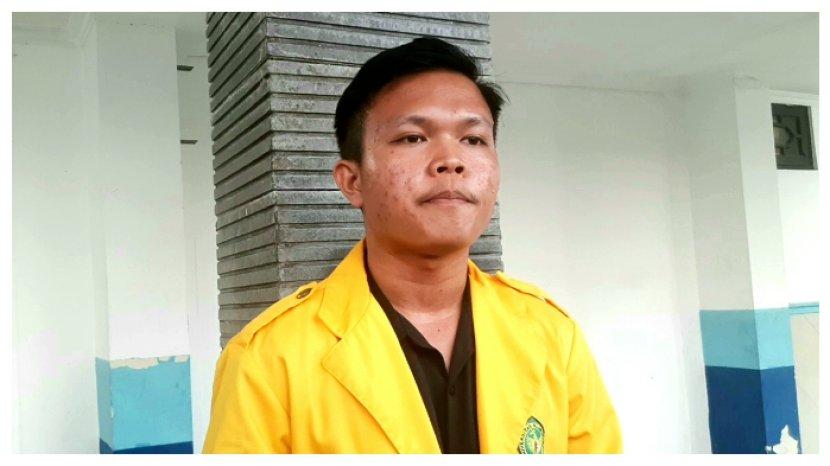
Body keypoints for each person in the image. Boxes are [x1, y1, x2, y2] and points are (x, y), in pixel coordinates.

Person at [202, 36, 622, 454]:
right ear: (353, 181)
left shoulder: (552, 333)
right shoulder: (268, 359)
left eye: (473, 139)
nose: (451, 160)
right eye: (413, 138)